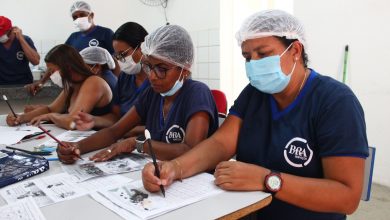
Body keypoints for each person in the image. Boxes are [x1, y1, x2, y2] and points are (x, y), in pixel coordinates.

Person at [142, 10, 369, 220]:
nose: (254, 64)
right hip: (249, 212)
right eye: (248, 57)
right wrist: (175, 168)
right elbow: (220, 144)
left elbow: (346, 197)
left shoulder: (335, 102)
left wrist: (267, 179)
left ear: (296, 51)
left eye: (263, 54)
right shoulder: (255, 94)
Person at [57, 25, 219, 164]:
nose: (152, 76)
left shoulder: (197, 93)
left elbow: (190, 150)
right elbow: (114, 131)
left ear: (185, 68)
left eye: (162, 69)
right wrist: (78, 147)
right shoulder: (153, 94)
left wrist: (138, 144)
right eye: (148, 66)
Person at [6, 44, 112, 130]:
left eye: (53, 71)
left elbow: (72, 122)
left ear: (68, 68)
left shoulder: (94, 83)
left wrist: (51, 116)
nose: (51, 75)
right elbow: (50, 109)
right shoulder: (72, 84)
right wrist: (20, 118)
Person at [25, 1, 119, 95]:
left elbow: (115, 60)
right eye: (75, 17)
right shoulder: (74, 37)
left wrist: (117, 83)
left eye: (82, 15)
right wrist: (41, 82)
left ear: (91, 15)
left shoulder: (105, 33)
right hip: (81, 84)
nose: (79, 19)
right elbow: (57, 60)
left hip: (103, 82)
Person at [72, 22, 150, 131]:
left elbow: (163, 126)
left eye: (123, 54)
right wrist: (94, 120)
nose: (120, 60)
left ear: (142, 47)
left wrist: (123, 130)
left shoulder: (159, 79)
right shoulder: (125, 78)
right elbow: (116, 117)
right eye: (117, 56)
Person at [0, 16, 40, 85]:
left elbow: (36, 61)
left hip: (24, 84)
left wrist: (21, 39)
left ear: (12, 30)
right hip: (2, 85)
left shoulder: (25, 39)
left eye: (2, 34)